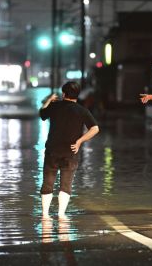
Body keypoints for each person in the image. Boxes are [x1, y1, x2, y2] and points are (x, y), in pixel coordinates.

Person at [40, 81, 99, 220]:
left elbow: (42, 114)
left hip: (52, 151)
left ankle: (45, 215)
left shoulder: (54, 106)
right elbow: (95, 128)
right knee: (66, 185)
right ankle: (61, 215)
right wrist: (79, 141)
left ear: (63, 93)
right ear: (77, 95)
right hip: (71, 151)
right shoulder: (82, 110)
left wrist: (49, 100)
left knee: (47, 183)